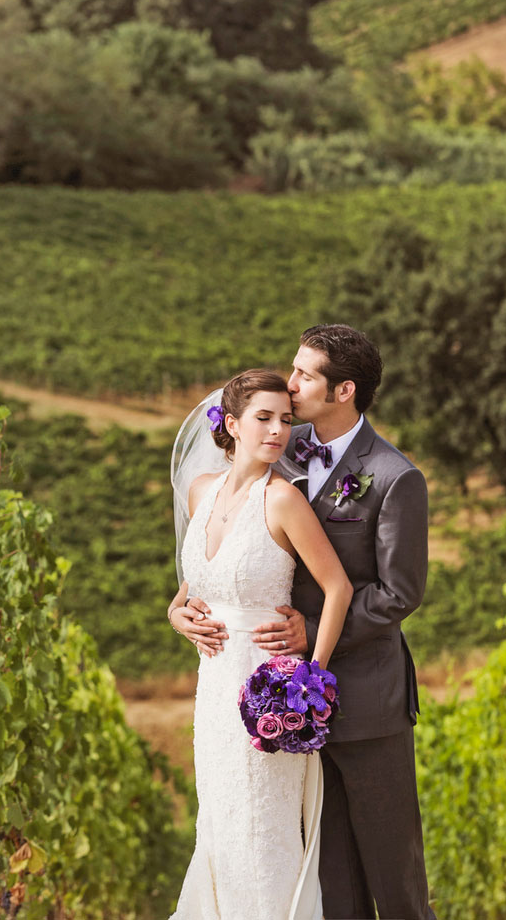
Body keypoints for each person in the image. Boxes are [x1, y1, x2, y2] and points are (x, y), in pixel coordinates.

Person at [178, 325, 436, 920]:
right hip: (277, 702)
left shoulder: (396, 477)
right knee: (326, 875)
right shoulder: (279, 447)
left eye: (305, 375)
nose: (290, 387)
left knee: (393, 874)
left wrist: (311, 634)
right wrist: (185, 607)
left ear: (344, 389)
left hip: (367, 698)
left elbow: (400, 592)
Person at [168, 368, 353, 920]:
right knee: (220, 824)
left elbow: (338, 587)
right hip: (214, 691)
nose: (278, 431)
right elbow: (193, 587)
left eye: (285, 420)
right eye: (264, 418)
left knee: (262, 831)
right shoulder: (199, 491)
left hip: (267, 692)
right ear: (231, 424)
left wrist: (309, 680)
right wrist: (176, 615)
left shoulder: (283, 500)